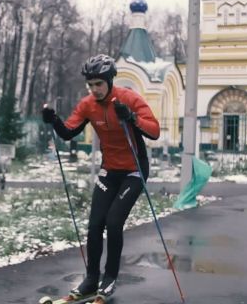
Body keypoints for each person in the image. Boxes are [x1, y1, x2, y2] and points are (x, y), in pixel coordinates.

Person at [42, 54, 160, 299]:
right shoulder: (88, 105)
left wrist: (131, 117)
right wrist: (53, 120)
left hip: (134, 170)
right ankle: (91, 279)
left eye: (99, 84)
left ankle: (109, 279)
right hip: (109, 170)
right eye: (90, 84)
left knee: (114, 222)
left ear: (109, 80)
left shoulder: (129, 99)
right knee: (95, 224)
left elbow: (155, 131)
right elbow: (67, 132)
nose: (94, 89)